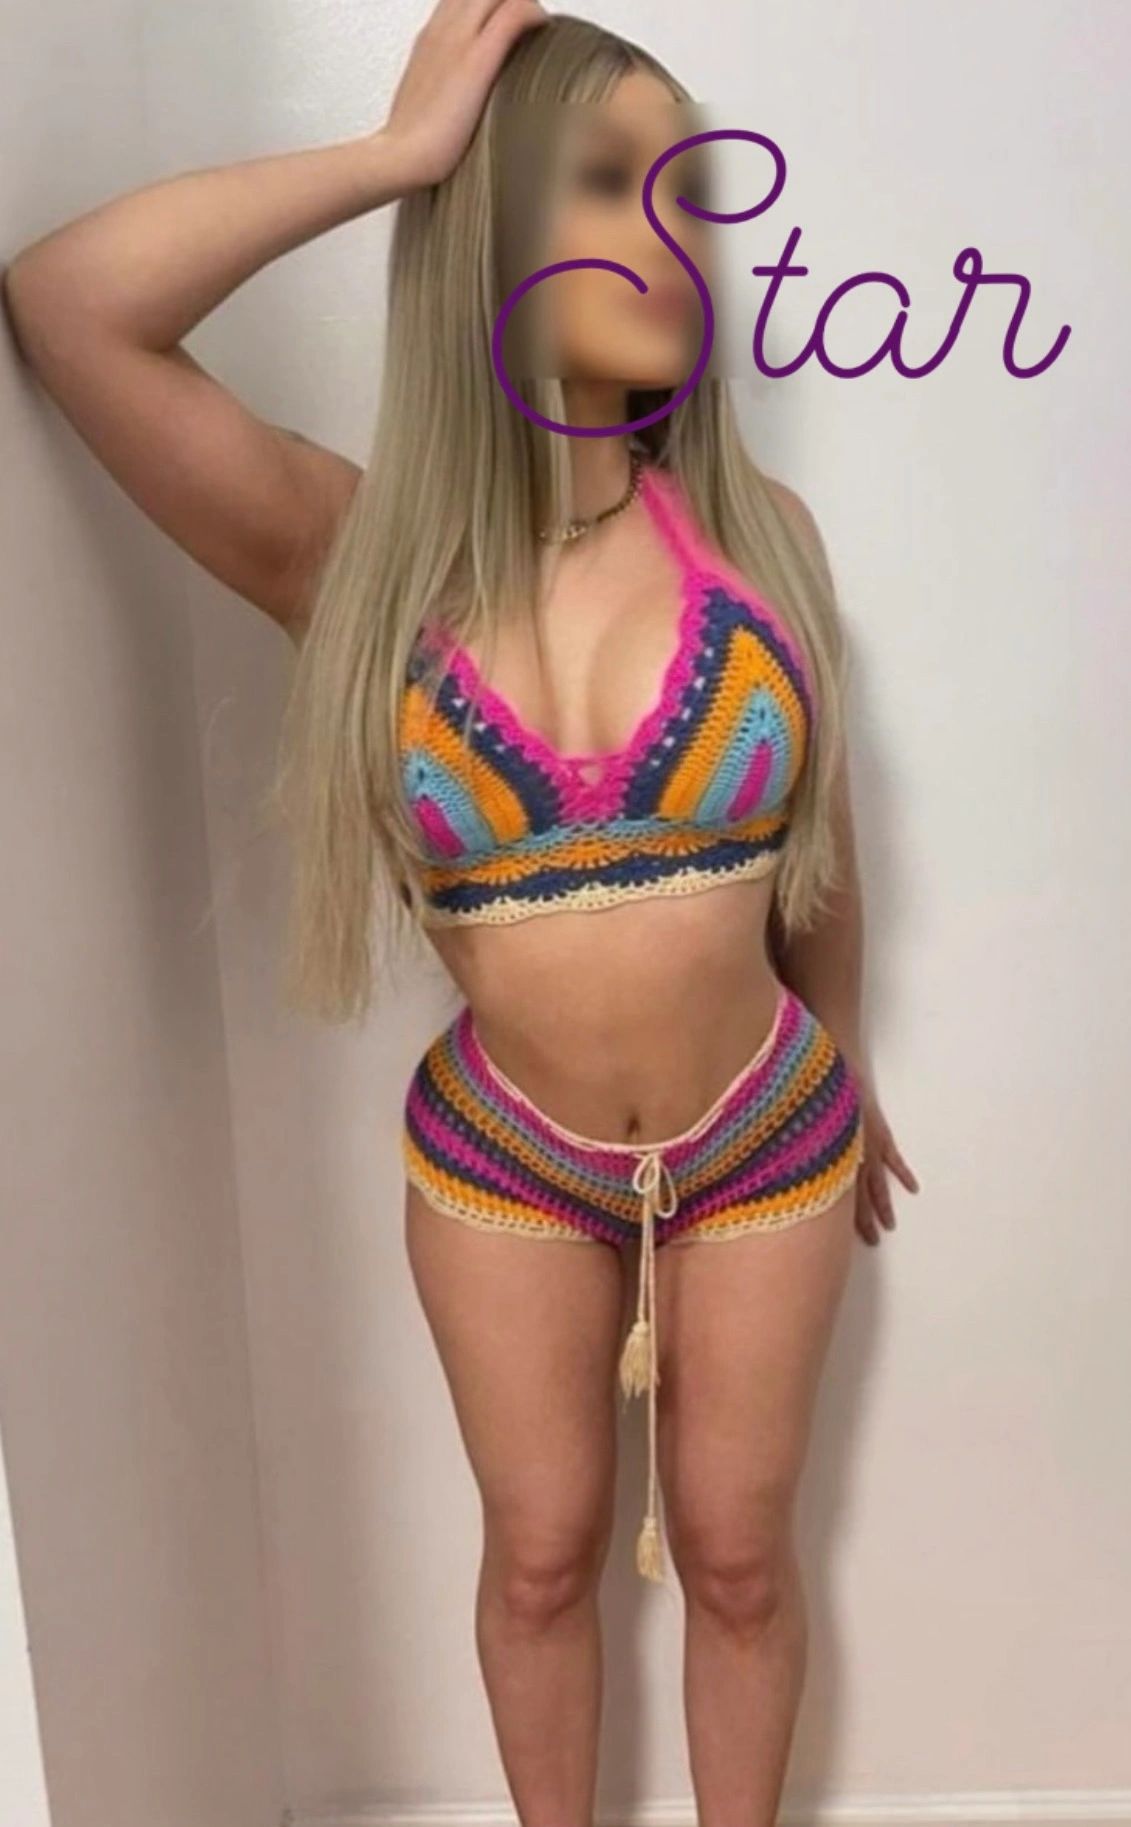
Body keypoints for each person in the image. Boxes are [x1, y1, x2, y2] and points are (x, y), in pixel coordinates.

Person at [3, 3, 919, 1821]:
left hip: (770, 1128)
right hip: (509, 1149)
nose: (671, 236)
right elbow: (68, 304)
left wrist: (851, 1055)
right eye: (609, 182)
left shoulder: (764, 541)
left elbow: (823, 857)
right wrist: (391, 159)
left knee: (743, 1562)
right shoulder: (351, 554)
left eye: (686, 194)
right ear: (495, 220)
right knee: (539, 1558)